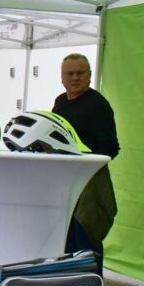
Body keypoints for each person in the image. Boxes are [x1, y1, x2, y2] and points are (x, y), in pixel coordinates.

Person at [52, 53, 120, 272]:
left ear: (90, 75)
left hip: (90, 186)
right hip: (64, 184)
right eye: (70, 73)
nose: (75, 78)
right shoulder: (60, 102)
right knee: (64, 243)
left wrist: (84, 161)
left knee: (86, 241)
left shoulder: (98, 104)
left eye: (80, 73)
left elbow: (111, 148)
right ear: (62, 77)